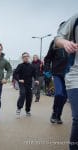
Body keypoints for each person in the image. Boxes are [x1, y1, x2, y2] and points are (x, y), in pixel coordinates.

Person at [54, 14, 78, 150]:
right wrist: (46, 72)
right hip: (68, 74)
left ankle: (56, 114)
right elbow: (47, 60)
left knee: (62, 97)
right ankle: (55, 114)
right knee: (59, 95)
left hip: (64, 74)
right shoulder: (75, 19)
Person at [44, 37, 68, 124]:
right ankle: (54, 113)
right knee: (59, 94)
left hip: (69, 75)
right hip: (57, 73)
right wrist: (47, 70)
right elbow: (47, 58)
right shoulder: (55, 43)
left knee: (65, 97)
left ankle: (58, 115)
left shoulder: (73, 41)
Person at [14, 52, 39, 118]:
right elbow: (15, 74)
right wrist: (19, 79)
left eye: (27, 56)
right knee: (22, 94)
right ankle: (19, 109)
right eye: (24, 56)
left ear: (29, 57)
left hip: (29, 84)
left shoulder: (32, 66)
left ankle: (27, 111)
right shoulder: (20, 65)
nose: (26, 57)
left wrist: (36, 79)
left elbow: (35, 74)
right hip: (22, 83)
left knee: (29, 97)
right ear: (22, 58)